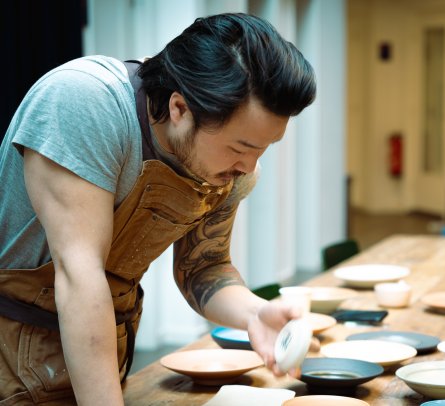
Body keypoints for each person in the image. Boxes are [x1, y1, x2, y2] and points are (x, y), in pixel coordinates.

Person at [0, 12, 316, 405]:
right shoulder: (86, 103)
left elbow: (205, 267)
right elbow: (80, 278)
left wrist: (254, 314)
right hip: (9, 355)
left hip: (97, 356)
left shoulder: (228, 171)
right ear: (180, 108)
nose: (250, 168)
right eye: (240, 148)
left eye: (263, 149)